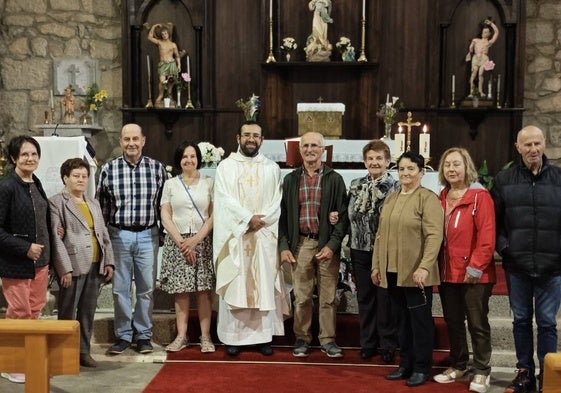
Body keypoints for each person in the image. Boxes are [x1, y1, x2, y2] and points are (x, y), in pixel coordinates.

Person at [492, 125, 561, 393]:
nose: (533, 149)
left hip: (552, 266)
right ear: (517, 147)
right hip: (517, 265)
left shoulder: (558, 178)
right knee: (520, 320)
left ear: (544, 144)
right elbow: (494, 224)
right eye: (527, 145)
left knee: (546, 322)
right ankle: (524, 371)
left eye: (537, 143)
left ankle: (547, 373)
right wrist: (506, 249)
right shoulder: (503, 180)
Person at [213, 121, 287, 356]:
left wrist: (261, 221)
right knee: (237, 279)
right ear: (238, 138)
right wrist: (247, 219)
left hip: (263, 236)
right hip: (238, 235)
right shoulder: (226, 167)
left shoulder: (272, 168)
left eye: (255, 135)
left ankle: (263, 337)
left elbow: (277, 201)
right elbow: (224, 200)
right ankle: (234, 337)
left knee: (263, 282)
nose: (251, 139)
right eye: (246, 135)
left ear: (262, 139)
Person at [371, 151, 443, 387]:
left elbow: (434, 236)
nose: (406, 173)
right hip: (393, 271)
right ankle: (406, 364)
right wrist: (376, 265)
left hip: (416, 273)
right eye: (401, 169)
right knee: (401, 320)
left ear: (422, 173)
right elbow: (380, 236)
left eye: (411, 169)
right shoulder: (392, 198)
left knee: (420, 322)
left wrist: (424, 266)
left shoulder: (428, 198)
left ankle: (422, 367)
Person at [97, 123, 166, 355]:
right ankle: (124, 335)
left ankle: (144, 335)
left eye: (135, 139)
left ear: (143, 140)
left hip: (148, 235)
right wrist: (104, 242)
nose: (131, 144)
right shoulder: (109, 170)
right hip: (119, 235)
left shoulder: (157, 169)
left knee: (146, 289)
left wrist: (163, 235)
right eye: (127, 139)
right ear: (121, 142)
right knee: (120, 289)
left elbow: (162, 207)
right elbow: (102, 208)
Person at [279, 131, 348, 358]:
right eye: (306, 146)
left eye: (315, 146)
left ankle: (328, 339)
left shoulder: (334, 179)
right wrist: (284, 246)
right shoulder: (290, 180)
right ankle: (302, 337)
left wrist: (332, 245)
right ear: (300, 150)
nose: (310, 149)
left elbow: (343, 216)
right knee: (302, 296)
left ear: (323, 150)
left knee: (328, 297)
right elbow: (283, 216)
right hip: (301, 243)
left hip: (326, 243)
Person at [433, 148, 496, 393]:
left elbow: (487, 236)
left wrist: (476, 267)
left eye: (456, 164)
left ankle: (481, 369)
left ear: (466, 166)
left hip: (474, 274)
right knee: (453, 322)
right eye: (447, 164)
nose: (451, 169)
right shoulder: (441, 196)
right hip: (448, 272)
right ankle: (459, 364)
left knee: (477, 323)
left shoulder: (480, 197)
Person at [49, 158, 115, 368]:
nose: (81, 180)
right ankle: (63, 354)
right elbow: (55, 237)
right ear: (65, 178)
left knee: (87, 312)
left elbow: (103, 234)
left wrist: (109, 262)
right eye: (76, 176)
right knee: (68, 313)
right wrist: (64, 269)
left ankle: (83, 352)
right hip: (73, 265)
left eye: (84, 176)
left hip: (95, 264)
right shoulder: (57, 202)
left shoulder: (93, 202)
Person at [0, 136, 51, 384]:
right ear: (13, 158)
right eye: (24, 155)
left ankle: (28, 359)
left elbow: (40, 218)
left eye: (34, 154)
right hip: (16, 262)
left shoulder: (36, 182)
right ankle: (11, 363)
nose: (30, 159)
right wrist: (25, 248)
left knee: (34, 312)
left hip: (40, 263)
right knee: (19, 313)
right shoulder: (6, 186)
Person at [345, 140, 399, 362]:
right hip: (359, 249)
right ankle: (368, 342)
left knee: (385, 299)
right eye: (370, 158)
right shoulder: (356, 185)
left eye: (379, 158)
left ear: (387, 161)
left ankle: (387, 344)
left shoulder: (396, 188)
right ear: (365, 161)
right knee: (365, 298)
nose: (374, 162)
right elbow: (347, 212)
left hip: (384, 252)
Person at [160, 141, 215, 353]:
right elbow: (165, 214)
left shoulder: (209, 183)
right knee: (181, 291)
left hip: (202, 242)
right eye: (184, 156)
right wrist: (182, 241)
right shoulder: (170, 184)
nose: (189, 160)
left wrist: (196, 240)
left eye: (192, 156)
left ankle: (205, 336)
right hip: (178, 243)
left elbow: (213, 215)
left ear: (198, 159)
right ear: (179, 160)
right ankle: (181, 336)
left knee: (203, 291)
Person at [148, 23, 181, 104]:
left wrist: (179, 65)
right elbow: (149, 37)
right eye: (162, 34)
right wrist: (154, 26)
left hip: (171, 64)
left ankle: (170, 96)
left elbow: (177, 56)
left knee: (170, 81)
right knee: (162, 81)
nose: (164, 35)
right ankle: (161, 95)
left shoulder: (173, 45)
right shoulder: (160, 43)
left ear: (168, 34)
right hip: (163, 64)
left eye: (165, 33)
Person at [465, 19, 499, 97]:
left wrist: (491, 24)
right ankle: (471, 91)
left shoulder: (489, 42)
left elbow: (496, 32)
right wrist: (469, 52)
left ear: (489, 34)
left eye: (486, 32)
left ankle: (480, 91)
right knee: (473, 74)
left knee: (480, 74)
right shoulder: (476, 40)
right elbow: (471, 48)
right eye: (484, 32)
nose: (484, 33)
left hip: (484, 58)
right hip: (476, 58)